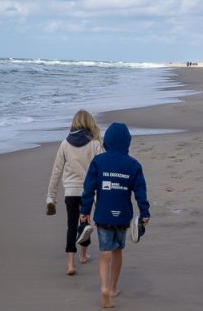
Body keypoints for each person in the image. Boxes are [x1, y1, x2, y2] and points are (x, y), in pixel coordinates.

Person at [80, 122, 150, 308]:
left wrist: (84, 211)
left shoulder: (99, 161)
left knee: (105, 254)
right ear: (127, 142)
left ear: (107, 141)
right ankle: (112, 288)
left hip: (103, 215)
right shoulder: (133, 165)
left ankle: (103, 288)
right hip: (122, 216)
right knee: (118, 250)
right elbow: (140, 191)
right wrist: (145, 212)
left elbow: (88, 188)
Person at [46, 109, 104, 276]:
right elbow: (101, 168)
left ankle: (70, 264)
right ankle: (83, 255)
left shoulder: (65, 143)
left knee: (71, 225)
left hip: (70, 190)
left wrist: (51, 195)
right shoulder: (95, 144)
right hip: (88, 191)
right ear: (89, 123)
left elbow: (56, 171)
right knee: (84, 222)